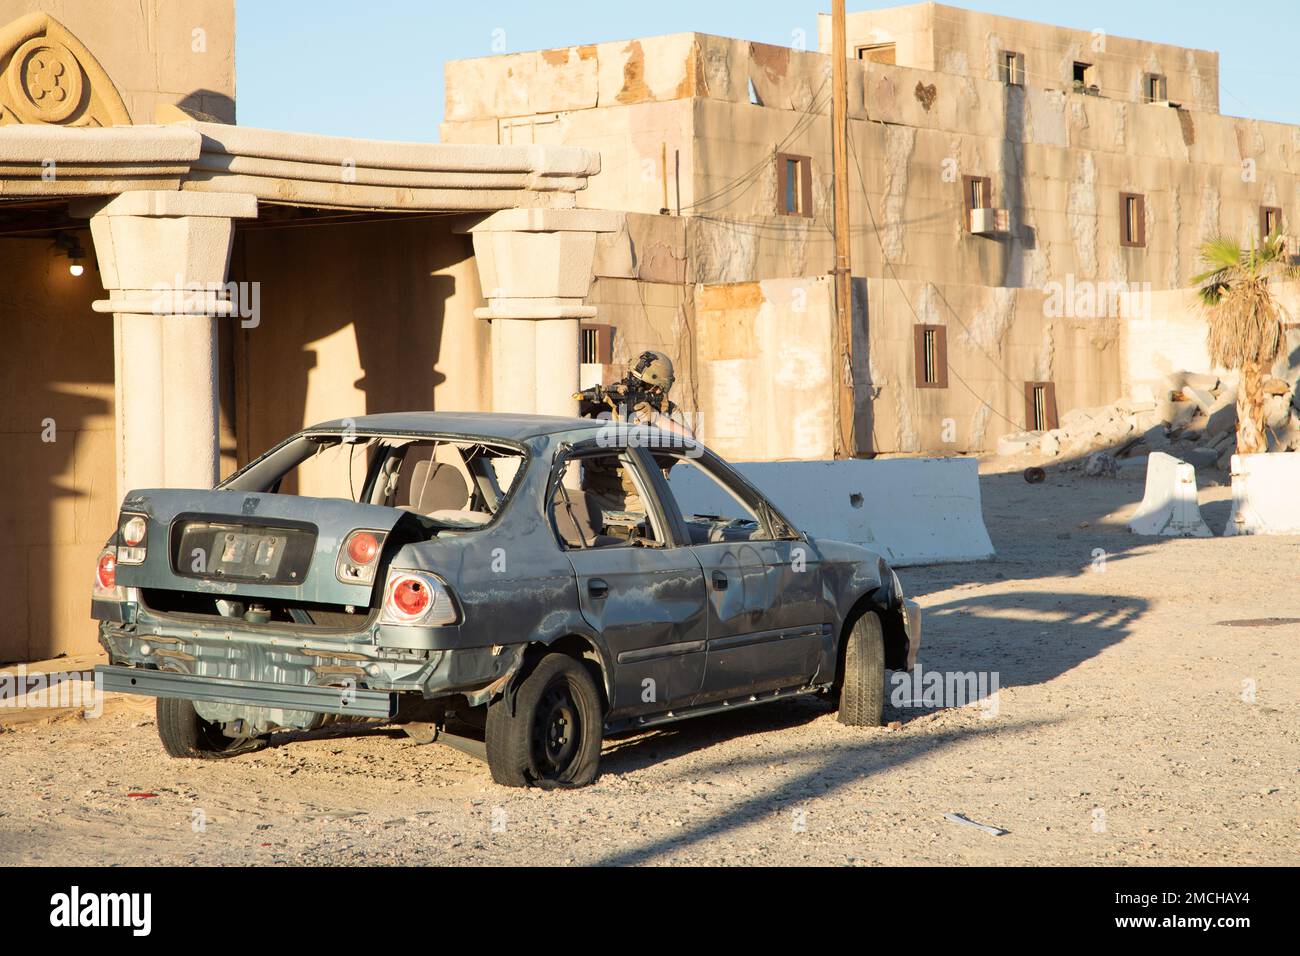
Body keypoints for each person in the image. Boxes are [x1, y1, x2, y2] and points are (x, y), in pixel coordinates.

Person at [571, 350, 694, 521]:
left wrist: (655, 417)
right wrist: (597, 405)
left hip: (638, 499)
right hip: (595, 494)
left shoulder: (667, 410)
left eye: (645, 385)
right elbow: (567, 415)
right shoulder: (607, 399)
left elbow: (689, 441)